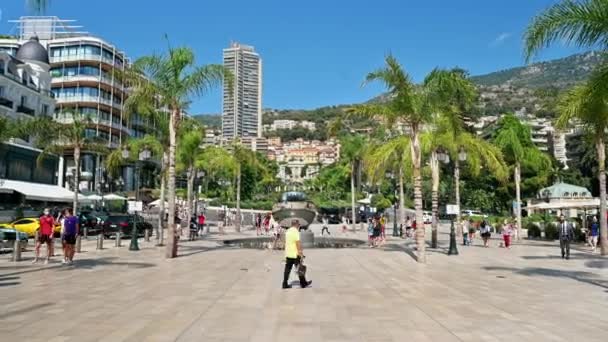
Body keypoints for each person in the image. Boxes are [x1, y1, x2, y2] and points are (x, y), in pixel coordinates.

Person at [282, 220, 312, 289]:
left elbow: (286, 242)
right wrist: (301, 253)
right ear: (296, 225)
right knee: (300, 269)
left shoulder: (288, 231)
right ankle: (303, 284)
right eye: (298, 224)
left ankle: (284, 284)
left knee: (287, 269)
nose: (299, 226)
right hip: (295, 254)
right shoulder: (296, 232)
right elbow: (298, 243)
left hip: (288, 253)